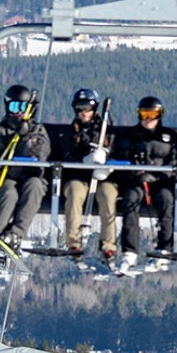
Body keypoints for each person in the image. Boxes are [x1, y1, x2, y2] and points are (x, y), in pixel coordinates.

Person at [0, 83, 50, 257]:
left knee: (34, 186)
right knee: (8, 192)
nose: (17, 112)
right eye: (14, 107)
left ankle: (15, 234)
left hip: (31, 177)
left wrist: (25, 137)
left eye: (22, 107)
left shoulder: (37, 130)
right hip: (7, 177)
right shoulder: (0, 129)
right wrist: (4, 142)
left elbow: (42, 152)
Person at [117, 96, 177, 271]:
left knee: (166, 199)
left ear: (160, 115)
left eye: (153, 114)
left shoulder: (168, 136)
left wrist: (159, 175)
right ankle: (130, 251)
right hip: (136, 180)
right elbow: (121, 158)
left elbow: (174, 161)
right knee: (131, 199)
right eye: (144, 114)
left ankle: (164, 248)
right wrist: (134, 172)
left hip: (160, 181)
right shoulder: (130, 136)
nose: (148, 119)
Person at [61, 88, 118, 265]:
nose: (84, 112)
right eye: (79, 108)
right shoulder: (71, 131)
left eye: (87, 108)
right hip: (79, 176)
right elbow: (66, 155)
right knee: (75, 193)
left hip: (103, 178)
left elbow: (116, 152)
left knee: (108, 196)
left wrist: (106, 161)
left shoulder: (106, 130)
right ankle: (74, 243)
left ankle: (108, 246)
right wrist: (84, 160)